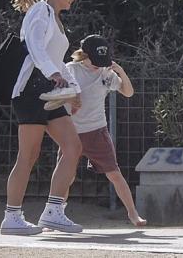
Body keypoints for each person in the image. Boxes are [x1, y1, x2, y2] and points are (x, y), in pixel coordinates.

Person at [0, 0, 84, 235]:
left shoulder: (56, 20)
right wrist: (54, 74)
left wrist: (74, 89)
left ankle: (53, 212)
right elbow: (34, 46)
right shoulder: (40, 11)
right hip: (30, 90)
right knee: (28, 155)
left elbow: (57, 60)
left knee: (73, 147)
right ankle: (12, 217)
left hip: (49, 90)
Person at [61, 35, 147, 226]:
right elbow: (57, 94)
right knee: (66, 176)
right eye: (95, 60)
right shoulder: (71, 69)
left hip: (97, 130)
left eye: (103, 60)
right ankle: (55, 214)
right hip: (72, 132)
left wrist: (121, 72)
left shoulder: (105, 72)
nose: (98, 65)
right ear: (84, 55)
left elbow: (128, 92)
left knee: (114, 173)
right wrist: (70, 99)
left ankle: (133, 214)